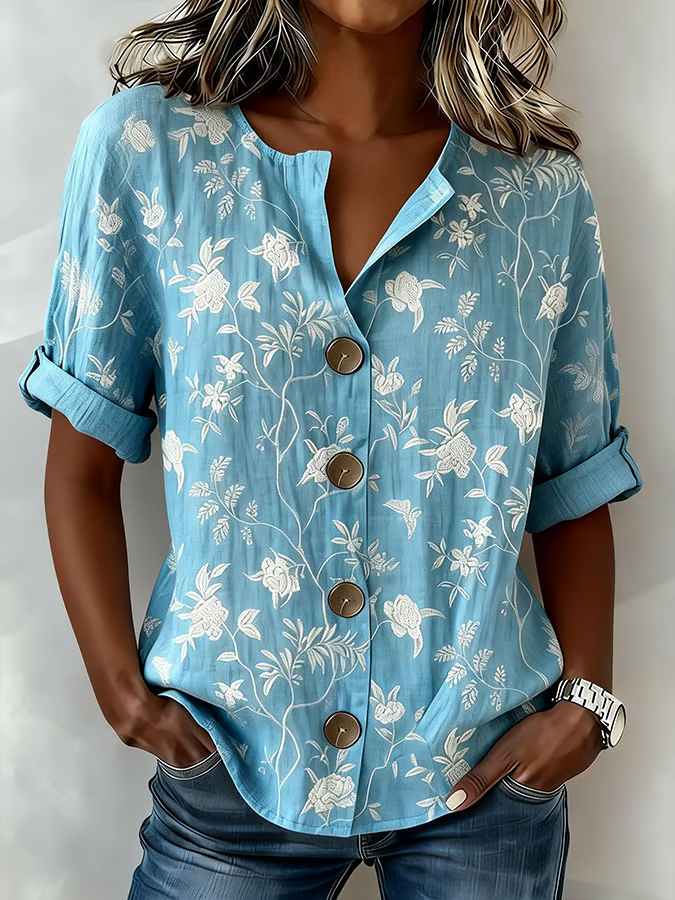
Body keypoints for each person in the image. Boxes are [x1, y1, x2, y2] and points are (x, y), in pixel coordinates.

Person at [17, 0, 643, 897]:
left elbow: (570, 484)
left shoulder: (534, 191)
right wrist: (122, 695)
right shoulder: (150, 151)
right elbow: (81, 466)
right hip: (231, 768)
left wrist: (587, 704)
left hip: (483, 773)